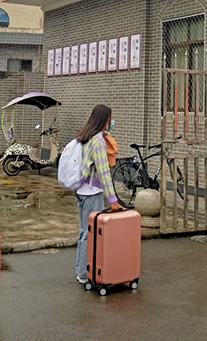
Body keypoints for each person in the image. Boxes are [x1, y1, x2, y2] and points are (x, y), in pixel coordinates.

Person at [74, 105, 121, 284]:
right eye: (110, 119)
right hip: (92, 193)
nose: (112, 122)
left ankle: (81, 270)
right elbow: (104, 173)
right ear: (104, 120)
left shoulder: (86, 136)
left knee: (83, 232)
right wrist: (113, 199)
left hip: (81, 190)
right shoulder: (98, 141)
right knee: (90, 234)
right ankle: (84, 274)